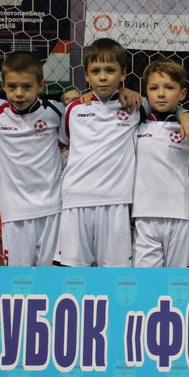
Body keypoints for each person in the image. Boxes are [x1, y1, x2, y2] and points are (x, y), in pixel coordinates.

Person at [54, 39, 139, 268]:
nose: (102, 77)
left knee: (115, 275)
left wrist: (183, 114)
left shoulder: (135, 107)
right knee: (71, 272)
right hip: (76, 199)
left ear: (123, 74)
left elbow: (165, 110)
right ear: (86, 76)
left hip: (116, 201)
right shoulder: (74, 109)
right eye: (96, 71)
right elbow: (63, 142)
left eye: (110, 71)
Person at [0, 51, 67, 267]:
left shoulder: (56, 111)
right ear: (3, 86)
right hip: (14, 212)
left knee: (51, 276)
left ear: (40, 85)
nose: (19, 93)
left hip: (52, 209)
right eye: (12, 87)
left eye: (26, 86)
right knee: (18, 278)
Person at [132, 60, 189, 268]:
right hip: (145, 215)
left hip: (181, 214)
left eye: (169, 87)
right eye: (153, 88)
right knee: (146, 279)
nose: (161, 94)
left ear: (182, 93)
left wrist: (184, 114)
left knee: (177, 279)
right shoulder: (135, 124)